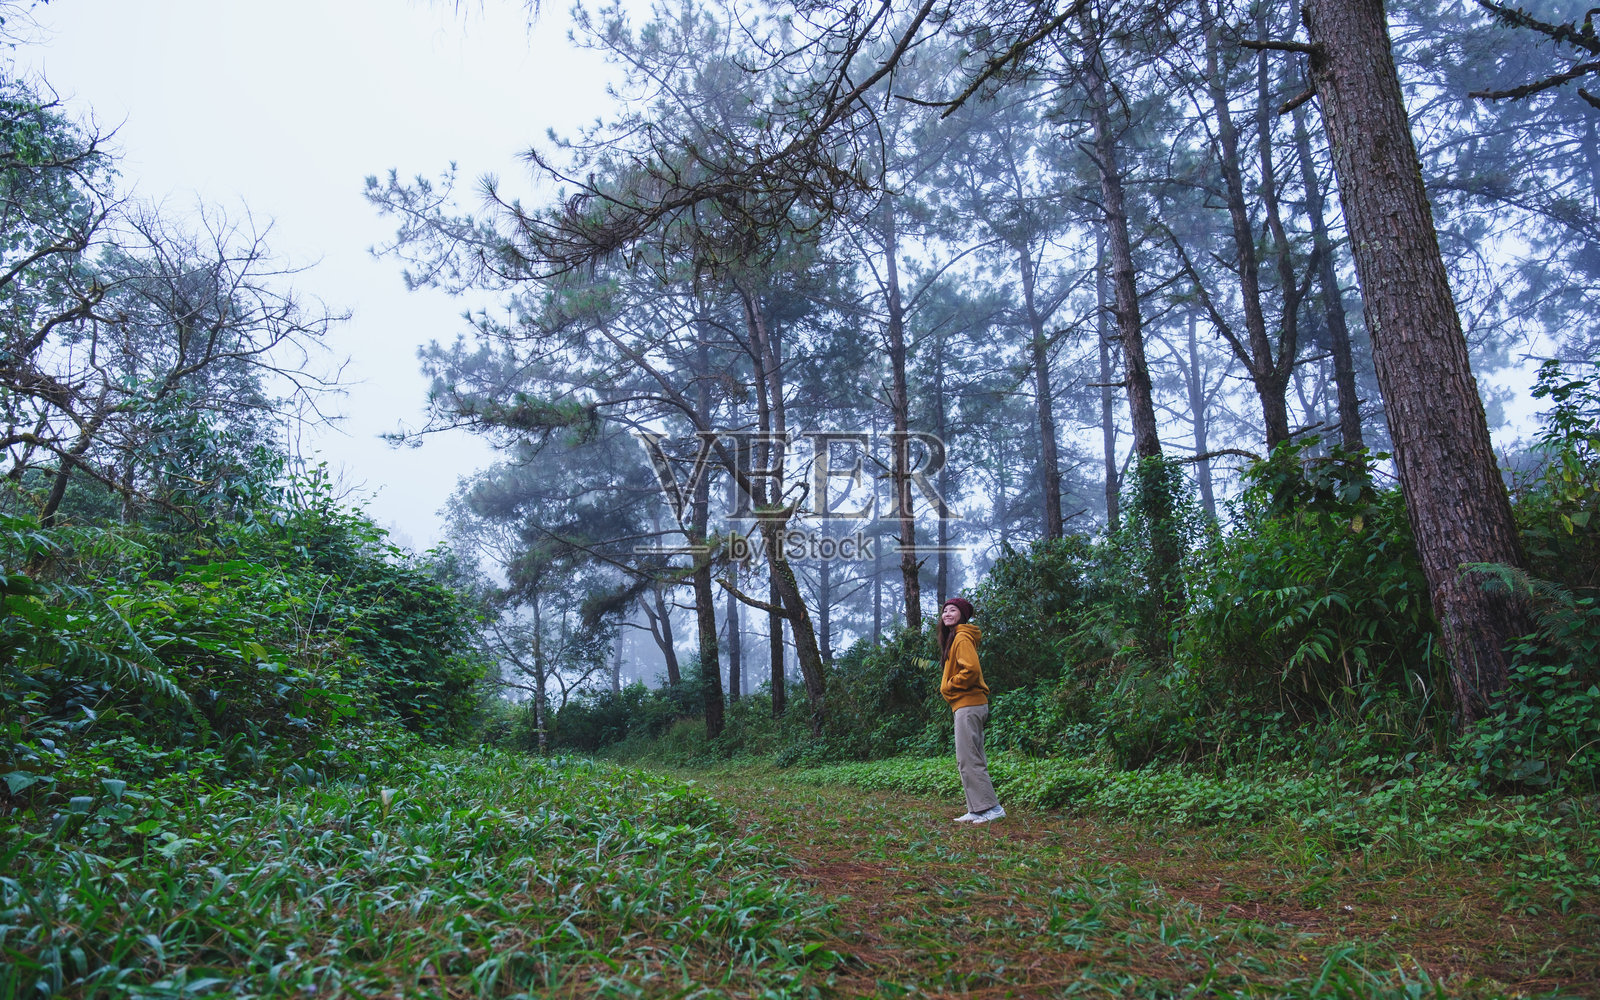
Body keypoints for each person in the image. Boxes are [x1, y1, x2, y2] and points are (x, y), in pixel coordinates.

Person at [938, 597, 1004, 824]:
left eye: (953, 610)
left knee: (968, 758)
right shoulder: (956, 637)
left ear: (962, 615)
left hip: (969, 703)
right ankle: (977, 809)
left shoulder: (962, 637)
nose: (947, 613)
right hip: (967, 704)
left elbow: (971, 670)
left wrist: (949, 685)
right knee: (971, 757)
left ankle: (992, 808)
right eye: (945, 610)